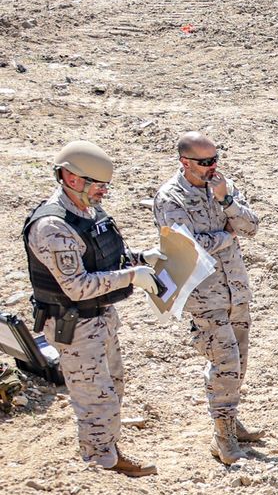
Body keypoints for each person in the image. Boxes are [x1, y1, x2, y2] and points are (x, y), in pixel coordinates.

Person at [24, 140, 161, 475]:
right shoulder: (53, 227)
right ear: (72, 179)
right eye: (97, 184)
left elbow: (103, 258)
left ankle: (107, 451)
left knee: (112, 388)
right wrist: (132, 277)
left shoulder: (87, 210)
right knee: (94, 400)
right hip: (75, 326)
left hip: (100, 318)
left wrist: (140, 258)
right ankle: (99, 467)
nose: (103, 191)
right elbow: (77, 285)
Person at [152, 132, 262, 464]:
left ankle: (229, 419)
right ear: (185, 162)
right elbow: (187, 246)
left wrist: (226, 200)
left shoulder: (222, 186)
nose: (213, 166)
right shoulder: (170, 198)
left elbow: (251, 227)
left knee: (239, 361)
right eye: (205, 162)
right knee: (224, 362)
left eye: (215, 159)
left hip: (235, 289)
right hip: (203, 294)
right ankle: (222, 436)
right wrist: (226, 237)